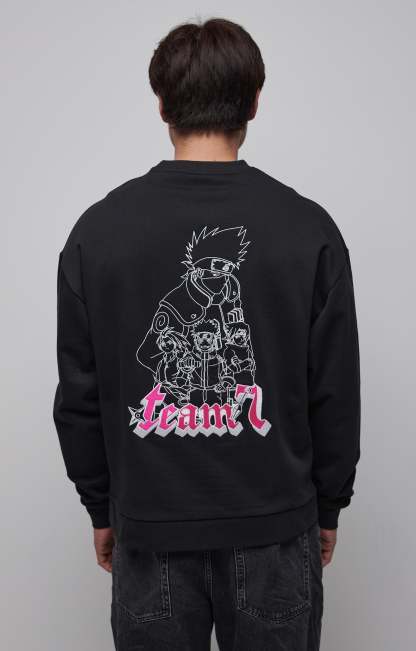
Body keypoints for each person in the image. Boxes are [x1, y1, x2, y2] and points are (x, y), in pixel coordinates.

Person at [53, 17, 360, 651]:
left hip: (152, 524)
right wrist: (327, 505)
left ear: (162, 104)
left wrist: (101, 506)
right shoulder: (308, 229)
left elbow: (80, 394)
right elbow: (334, 389)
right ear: (254, 102)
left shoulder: (98, 233)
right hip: (275, 530)